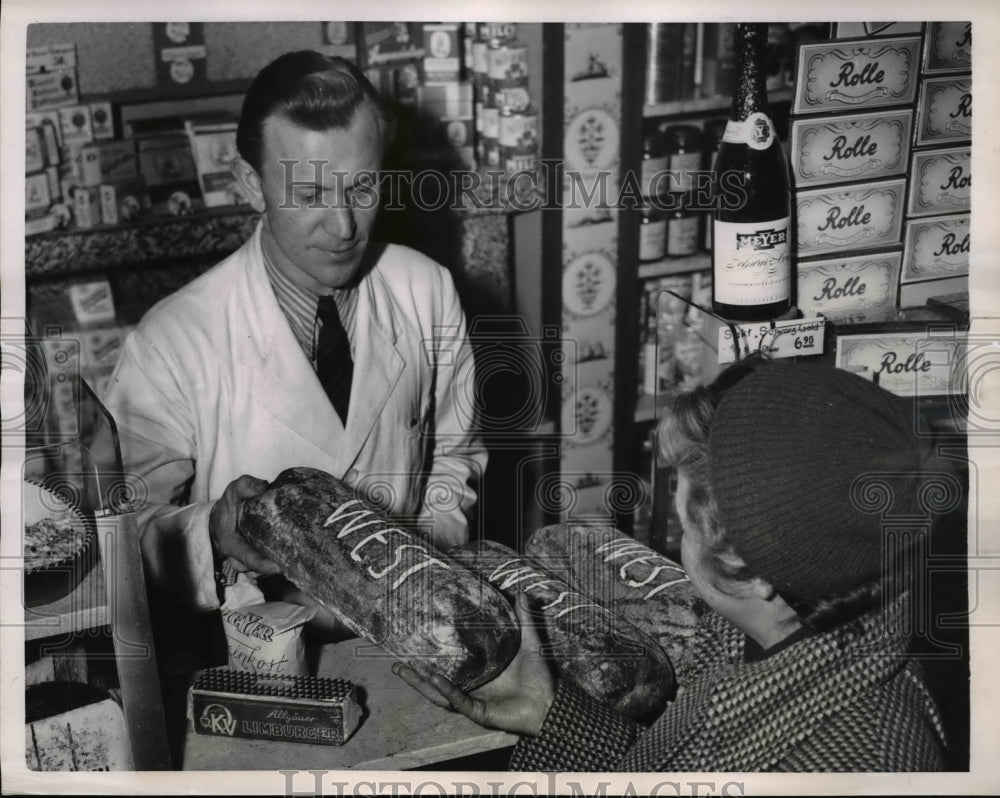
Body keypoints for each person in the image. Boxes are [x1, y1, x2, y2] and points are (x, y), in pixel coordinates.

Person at [395, 357, 952, 771]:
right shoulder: (776, 637)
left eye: (683, 527)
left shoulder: (860, 765)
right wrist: (551, 713)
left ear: (747, 567)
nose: (672, 541)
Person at [103, 51, 486, 618]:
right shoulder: (173, 340)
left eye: (361, 189)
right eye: (309, 196)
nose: (343, 227)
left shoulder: (426, 290)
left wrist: (421, 564)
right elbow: (122, 536)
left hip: (409, 628)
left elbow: (456, 456)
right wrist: (210, 530)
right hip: (257, 648)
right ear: (251, 185)